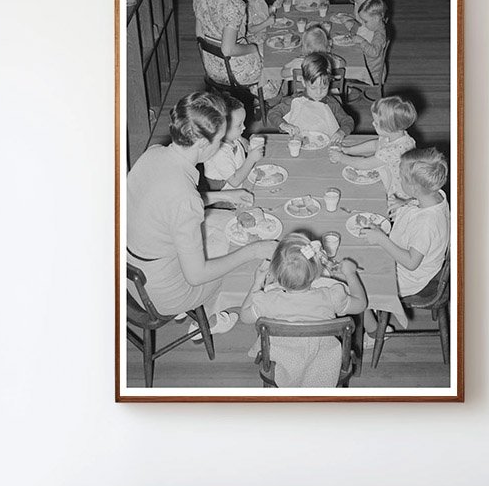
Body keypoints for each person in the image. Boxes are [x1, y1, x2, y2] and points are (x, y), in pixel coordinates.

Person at [126, 92, 276, 336]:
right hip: (160, 295)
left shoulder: (154, 153)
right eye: (219, 141)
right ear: (204, 144)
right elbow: (197, 276)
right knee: (243, 252)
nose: (220, 146)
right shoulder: (185, 199)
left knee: (227, 225)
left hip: (129, 274)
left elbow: (168, 206)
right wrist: (252, 252)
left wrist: (225, 196)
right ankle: (217, 316)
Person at [241, 233, 367, 387]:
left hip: (283, 360)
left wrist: (257, 282)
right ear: (316, 273)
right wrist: (350, 273)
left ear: (274, 274)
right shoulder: (330, 296)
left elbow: (245, 316)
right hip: (324, 361)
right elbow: (361, 304)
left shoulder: (268, 300)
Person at [359, 147, 449, 340]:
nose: (398, 179)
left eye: (401, 177)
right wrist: (406, 203)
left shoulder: (426, 224)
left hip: (409, 276)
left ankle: (372, 330)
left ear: (415, 187)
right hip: (417, 260)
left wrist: (381, 239)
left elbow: (411, 262)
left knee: (358, 282)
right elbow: (422, 203)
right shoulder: (436, 194)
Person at [332, 95, 417, 199]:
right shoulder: (395, 135)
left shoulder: (394, 150)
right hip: (388, 175)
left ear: (389, 127)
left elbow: (364, 164)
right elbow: (375, 144)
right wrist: (349, 150)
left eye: (376, 123)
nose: (372, 123)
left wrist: (341, 158)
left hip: (399, 193)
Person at [267, 53, 354, 144]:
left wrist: (341, 132)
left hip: (326, 145)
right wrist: (283, 125)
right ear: (304, 83)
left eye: (324, 88)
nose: (319, 92)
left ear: (329, 83)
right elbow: (273, 113)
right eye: (313, 88)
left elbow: (348, 121)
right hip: (299, 143)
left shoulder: (331, 103)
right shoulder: (295, 101)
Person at [192, 0, 262, 88]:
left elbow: (200, 35)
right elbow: (228, 50)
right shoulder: (234, 3)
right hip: (236, 71)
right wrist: (254, 48)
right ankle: (263, 96)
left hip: (211, 67)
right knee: (274, 57)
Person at [202, 94, 263, 192]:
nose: (244, 127)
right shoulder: (218, 152)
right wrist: (251, 159)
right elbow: (234, 181)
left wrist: (251, 144)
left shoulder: (232, 136)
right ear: (222, 127)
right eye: (239, 125)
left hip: (240, 180)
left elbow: (244, 145)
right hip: (226, 195)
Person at [351, 0, 389, 89]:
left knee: (348, 64)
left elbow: (374, 52)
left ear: (376, 19)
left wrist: (362, 41)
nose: (363, 24)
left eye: (365, 21)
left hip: (372, 71)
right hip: (369, 62)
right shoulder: (377, 26)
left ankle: (348, 85)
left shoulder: (379, 34)